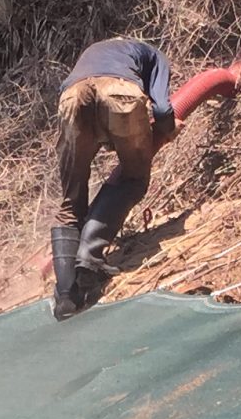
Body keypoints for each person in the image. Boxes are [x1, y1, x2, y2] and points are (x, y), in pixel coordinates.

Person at [52, 37, 179, 319]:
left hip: (71, 97)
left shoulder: (92, 53)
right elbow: (162, 110)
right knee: (133, 178)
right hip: (119, 93)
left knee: (71, 204)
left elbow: (85, 99)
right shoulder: (154, 55)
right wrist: (167, 129)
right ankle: (90, 259)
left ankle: (66, 300)